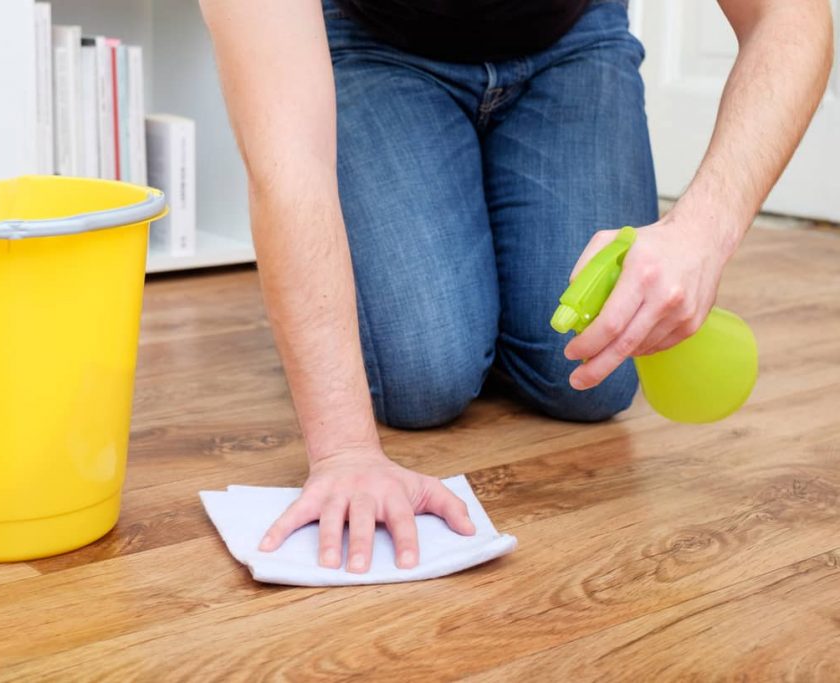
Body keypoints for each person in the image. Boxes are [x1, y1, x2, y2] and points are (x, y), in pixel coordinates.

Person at [199, 0, 834, 573]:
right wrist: (342, 452)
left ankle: (480, 263)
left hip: (570, 39)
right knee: (426, 378)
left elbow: (790, 16)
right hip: (371, 44)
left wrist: (703, 230)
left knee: (596, 378)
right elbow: (288, 163)